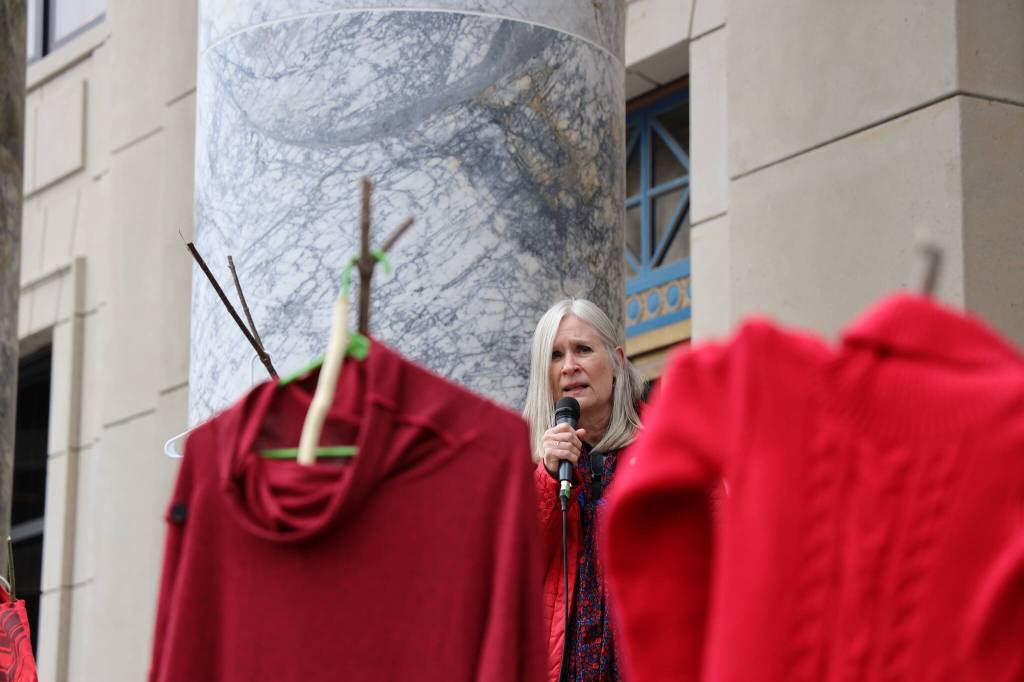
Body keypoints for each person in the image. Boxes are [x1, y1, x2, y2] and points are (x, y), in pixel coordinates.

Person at [523, 298, 647, 682]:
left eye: (583, 349)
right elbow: (511, 568)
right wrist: (546, 474)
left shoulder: (665, 456)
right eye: (556, 355)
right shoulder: (526, 471)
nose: (570, 366)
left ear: (617, 361)